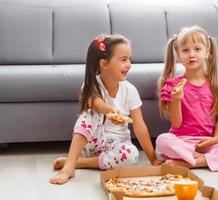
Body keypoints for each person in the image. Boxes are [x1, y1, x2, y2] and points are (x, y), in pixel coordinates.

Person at [50, 34, 160, 184]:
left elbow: (139, 126)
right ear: (104, 64)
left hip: (117, 145)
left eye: (130, 59)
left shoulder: (130, 90)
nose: (129, 64)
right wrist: (110, 111)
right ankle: (69, 167)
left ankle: (78, 162)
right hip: (94, 142)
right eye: (123, 60)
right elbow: (95, 103)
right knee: (90, 113)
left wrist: (153, 159)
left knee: (131, 154)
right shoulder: (90, 86)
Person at [155, 26, 218, 171]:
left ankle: (188, 162)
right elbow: (176, 123)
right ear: (178, 55)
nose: (191, 54)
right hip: (182, 142)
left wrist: (216, 138)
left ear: (207, 52)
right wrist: (176, 100)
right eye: (185, 50)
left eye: (197, 49)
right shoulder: (173, 86)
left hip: (208, 143)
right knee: (162, 140)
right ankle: (204, 161)